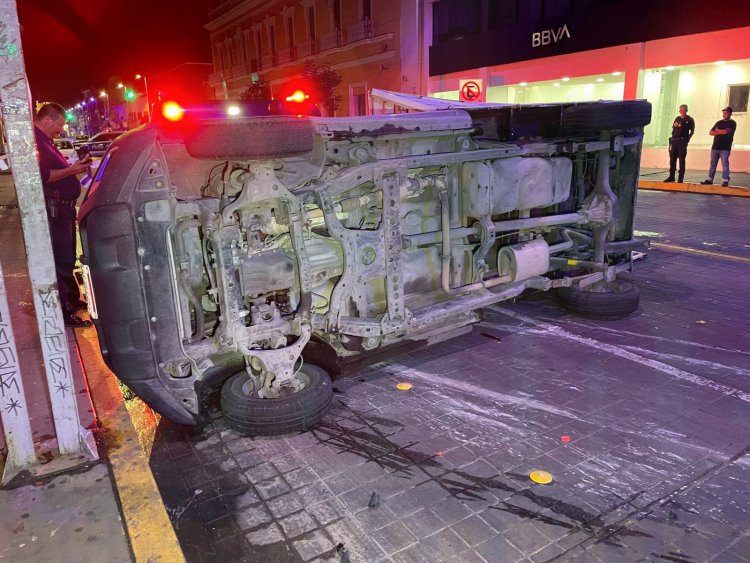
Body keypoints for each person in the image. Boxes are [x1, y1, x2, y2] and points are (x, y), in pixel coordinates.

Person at [33, 103, 92, 327]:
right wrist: (72, 170)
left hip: (63, 209)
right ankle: (64, 312)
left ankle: (72, 299)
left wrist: (73, 167)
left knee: (68, 256)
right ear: (48, 119)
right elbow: (43, 176)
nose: (60, 129)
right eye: (59, 124)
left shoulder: (45, 141)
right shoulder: (36, 141)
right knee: (61, 259)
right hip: (55, 211)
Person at [701, 107, 737, 187]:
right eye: (723, 113)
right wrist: (719, 132)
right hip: (715, 147)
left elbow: (725, 132)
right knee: (713, 164)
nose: (724, 114)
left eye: (726, 113)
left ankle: (725, 180)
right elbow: (710, 132)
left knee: (725, 164)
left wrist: (717, 131)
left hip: (725, 148)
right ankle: (709, 179)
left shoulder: (732, 123)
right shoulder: (719, 122)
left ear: (730, 113)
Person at [664, 104, 694, 183]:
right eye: (681, 109)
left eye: (684, 109)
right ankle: (671, 176)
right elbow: (673, 128)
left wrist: (688, 139)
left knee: (681, 159)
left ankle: (680, 178)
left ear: (686, 110)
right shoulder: (677, 118)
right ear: (679, 110)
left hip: (682, 141)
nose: (682, 111)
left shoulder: (689, 119)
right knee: (672, 159)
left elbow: (692, 131)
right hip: (674, 141)